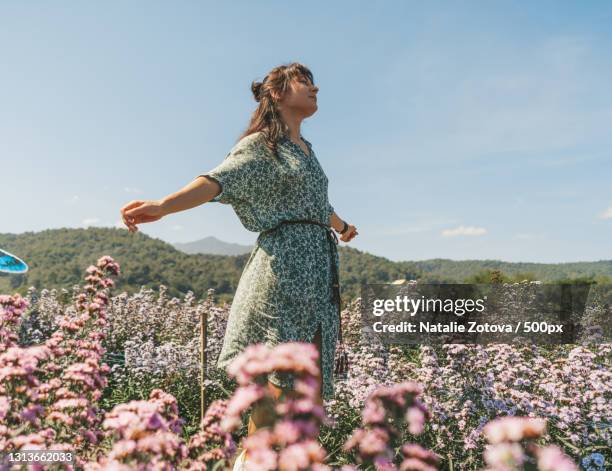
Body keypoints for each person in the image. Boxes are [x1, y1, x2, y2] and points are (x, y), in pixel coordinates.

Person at [119, 62, 358, 464]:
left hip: (317, 282)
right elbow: (217, 181)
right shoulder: (261, 145)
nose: (316, 88)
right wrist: (163, 206)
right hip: (281, 278)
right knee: (272, 407)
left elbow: (318, 202)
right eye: (305, 82)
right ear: (278, 93)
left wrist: (342, 225)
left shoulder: (307, 151)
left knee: (308, 402)